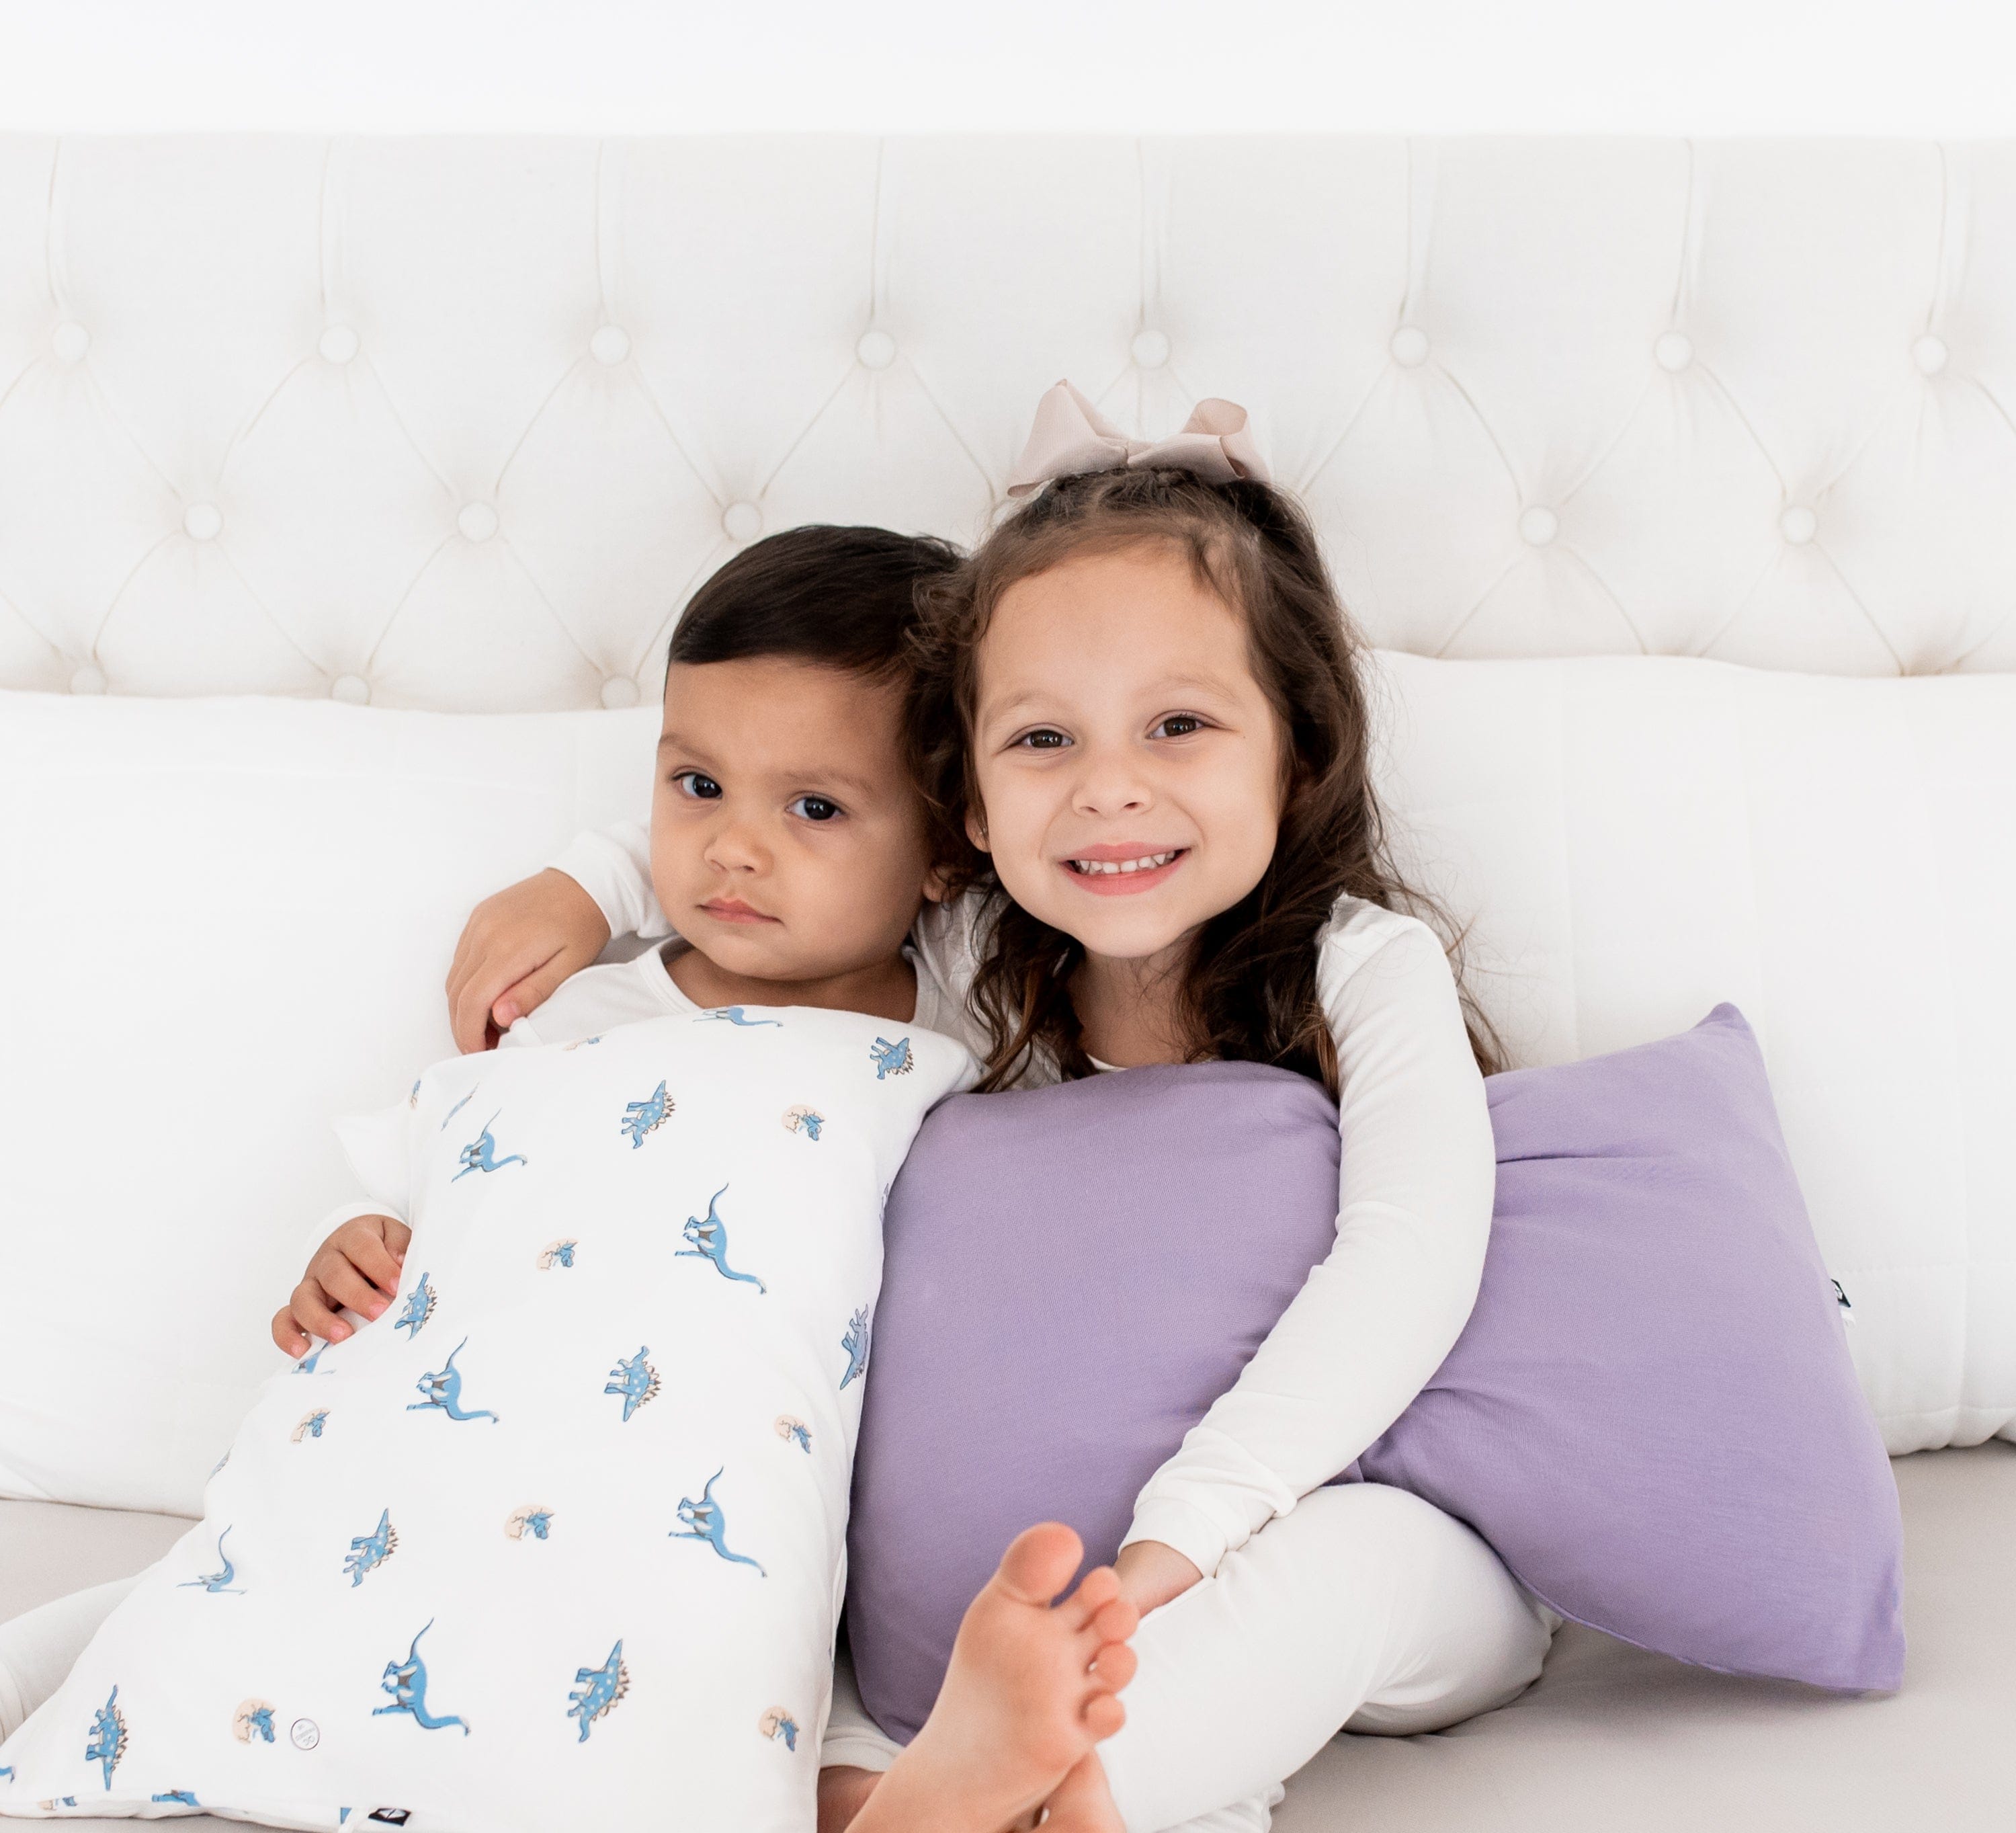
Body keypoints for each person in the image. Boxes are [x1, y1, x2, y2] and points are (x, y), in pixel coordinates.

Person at [448, 385, 1560, 1833]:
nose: (1109, 793)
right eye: (1043, 742)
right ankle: (932, 1784)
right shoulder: (963, 980)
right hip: (1001, 1598)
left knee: (1359, 1567)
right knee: (823, 1597)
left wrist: (1177, 1547)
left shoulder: (1364, 968)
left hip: (1298, 1531)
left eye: (1178, 727)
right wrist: (588, 884)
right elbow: (785, 834)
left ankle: (1072, 1795)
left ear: (1294, 747)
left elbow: (1408, 1265)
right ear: (964, 805)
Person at [0, 524, 1143, 1833]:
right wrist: (354, 1243)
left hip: (738, 1488)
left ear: (952, 848)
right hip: (481, 1434)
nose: (734, 851)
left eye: (814, 810)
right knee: (255, 1580)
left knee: (767, 1684)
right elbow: (457, 1194)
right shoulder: (580, 1015)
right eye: (695, 787)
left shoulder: (971, 1039)